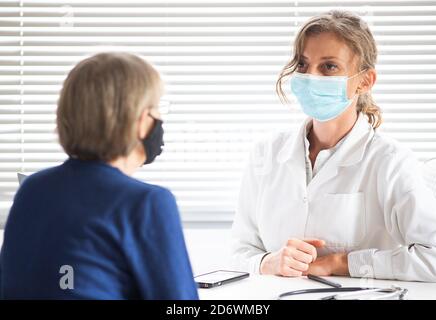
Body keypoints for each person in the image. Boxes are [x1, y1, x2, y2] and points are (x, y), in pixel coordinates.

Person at [231, 10, 436, 282]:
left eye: (329, 66)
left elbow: (432, 257)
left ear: (365, 81)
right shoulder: (265, 153)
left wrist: (341, 263)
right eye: (303, 65)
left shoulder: (392, 162)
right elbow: (239, 250)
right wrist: (268, 262)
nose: (310, 77)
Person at [0, 52, 199, 299]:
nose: (159, 118)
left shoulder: (32, 190)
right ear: (137, 120)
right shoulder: (146, 203)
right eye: (155, 108)